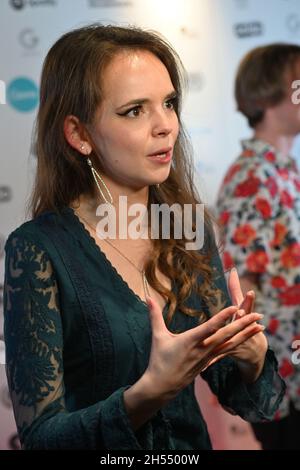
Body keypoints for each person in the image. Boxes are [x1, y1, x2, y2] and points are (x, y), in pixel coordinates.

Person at [3, 24, 285, 451]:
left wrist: (252, 360)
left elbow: (249, 400)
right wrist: (148, 392)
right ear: (79, 135)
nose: (165, 126)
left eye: (169, 103)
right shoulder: (38, 249)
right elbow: (42, 439)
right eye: (134, 110)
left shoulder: (189, 229)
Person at [217, 43, 300, 450]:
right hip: (286, 386)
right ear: (269, 92)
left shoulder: (283, 170)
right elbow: (243, 296)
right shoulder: (251, 177)